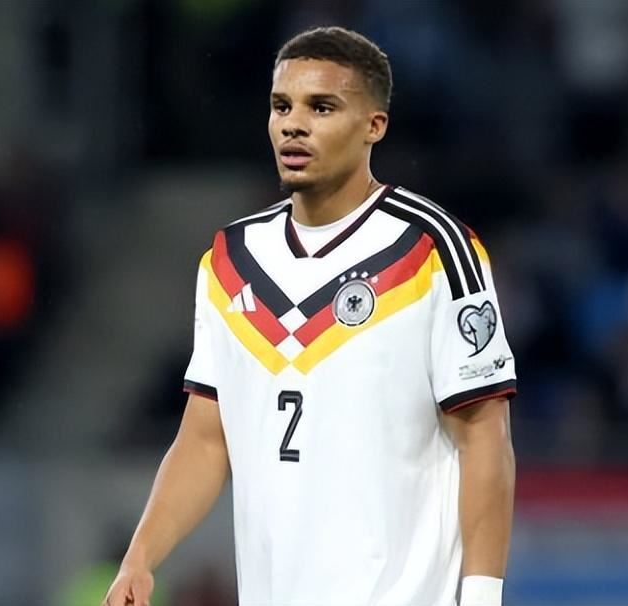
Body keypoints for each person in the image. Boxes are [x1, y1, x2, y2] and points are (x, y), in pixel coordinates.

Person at [104, 26, 517, 606]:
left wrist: (482, 596)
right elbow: (205, 439)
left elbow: (484, 436)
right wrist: (140, 558)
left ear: (374, 125)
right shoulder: (229, 261)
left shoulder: (434, 249)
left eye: (321, 107)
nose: (293, 124)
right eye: (282, 106)